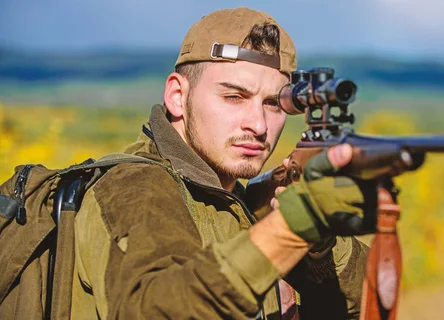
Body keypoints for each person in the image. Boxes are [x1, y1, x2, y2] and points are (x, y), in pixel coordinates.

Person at [70, 7, 373, 320]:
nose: (258, 124)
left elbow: (367, 305)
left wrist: (321, 247)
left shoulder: (241, 200)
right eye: (234, 97)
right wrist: (286, 231)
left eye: (272, 103)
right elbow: (155, 309)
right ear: (177, 96)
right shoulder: (134, 187)